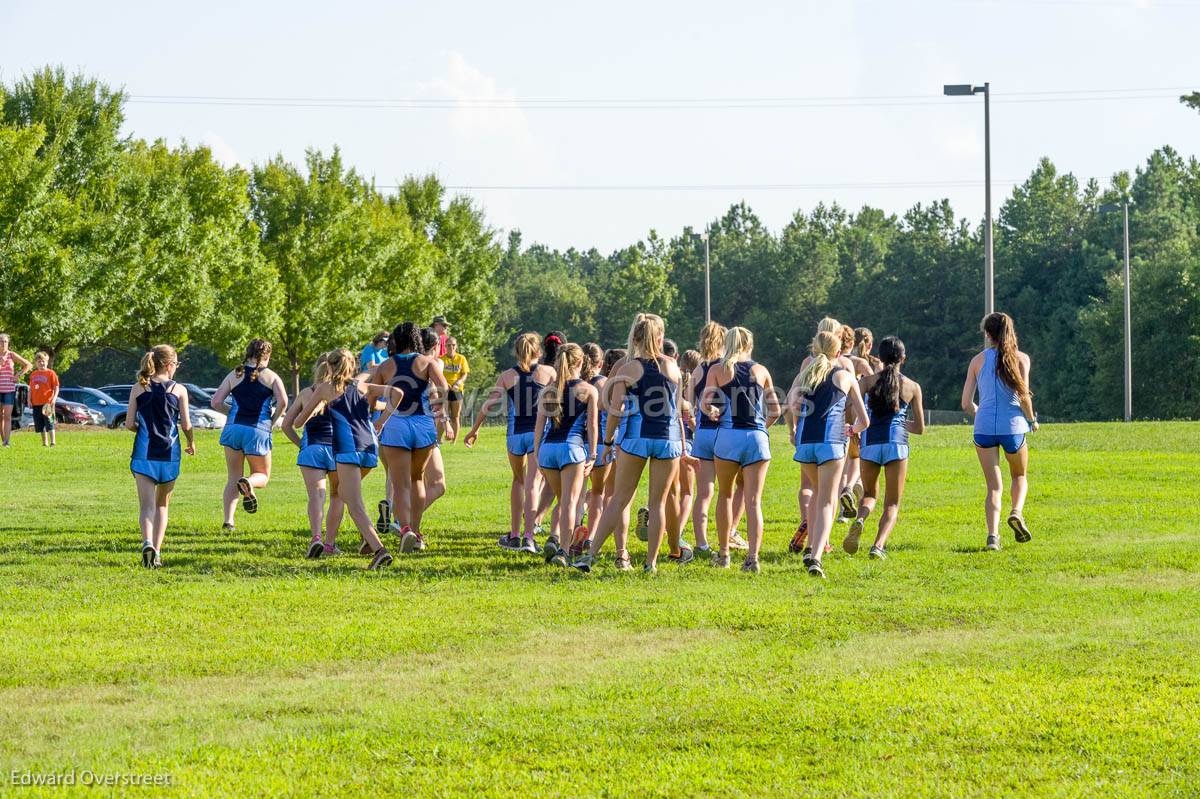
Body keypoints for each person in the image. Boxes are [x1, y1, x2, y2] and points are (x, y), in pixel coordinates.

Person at [574, 313, 683, 574]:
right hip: (668, 439)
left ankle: (589, 556)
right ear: (659, 337)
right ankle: (651, 563)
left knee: (619, 499)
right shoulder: (673, 367)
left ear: (635, 337)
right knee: (657, 503)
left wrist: (609, 441)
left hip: (635, 436)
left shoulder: (628, 368)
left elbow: (614, 409)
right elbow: (677, 407)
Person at [295, 348, 402, 570]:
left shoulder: (326, 388)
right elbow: (398, 393)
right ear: (352, 366)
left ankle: (380, 550)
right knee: (345, 494)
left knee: (353, 503)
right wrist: (381, 420)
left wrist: (312, 409)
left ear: (330, 366)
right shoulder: (362, 386)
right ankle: (368, 538)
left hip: (347, 449)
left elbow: (298, 422)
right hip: (370, 447)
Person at [463, 332, 556, 553]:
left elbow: (488, 405)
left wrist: (473, 430)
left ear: (516, 351)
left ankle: (514, 535)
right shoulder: (549, 372)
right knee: (533, 483)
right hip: (537, 433)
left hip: (515, 435)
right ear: (538, 351)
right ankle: (529, 537)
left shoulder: (507, 376)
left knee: (518, 481)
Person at [788, 330, 869, 578]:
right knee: (826, 499)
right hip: (831, 442)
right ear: (839, 351)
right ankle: (816, 556)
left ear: (814, 350)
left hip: (805, 442)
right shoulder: (845, 375)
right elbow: (864, 421)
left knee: (814, 494)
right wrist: (852, 429)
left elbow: (791, 406)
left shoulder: (804, 375)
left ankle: (812, 545)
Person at [702, 327, 781, 572]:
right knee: (754, 502)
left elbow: (706, 405)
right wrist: (761, 428)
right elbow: (776, 411)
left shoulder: (717, 369)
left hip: (728, 437)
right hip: (757, 438)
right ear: (749, 344)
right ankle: (752, 559)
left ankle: (724, 554)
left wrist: (713, 412)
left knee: (725, 495)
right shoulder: (761, 370)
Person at [961, 312, 1038, 550]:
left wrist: (981, 413)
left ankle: (993, 537)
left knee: (994, 486)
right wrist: (1031, 419)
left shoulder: (977, 361)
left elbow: (965, 403)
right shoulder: (1021, 359)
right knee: (1019, 476)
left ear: (988, 334)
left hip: (983, 428)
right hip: (1013, 426)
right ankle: (1016, 512)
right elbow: (1024, 397)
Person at [844, 336, 925, 559]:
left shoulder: (867, 382)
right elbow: (919, 428)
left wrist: (856, 429)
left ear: (879, 357)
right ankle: (878, 546)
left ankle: (860, 519)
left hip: (869, 442)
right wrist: (900, 422)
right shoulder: (912, 387)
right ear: (903, 358)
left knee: (869, 494)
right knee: (892, 502)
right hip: (896, 445)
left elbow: (850, 407)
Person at [374, 322, 449, 553]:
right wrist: (437, 408)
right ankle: (416, 533)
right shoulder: (428, 362)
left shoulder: (386, 365)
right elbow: (444, 388)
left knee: (400, 483)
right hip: (423, 424)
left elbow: (372, 393)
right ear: (417, 339)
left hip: (396, 424)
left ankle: (404, 528)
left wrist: (380, 412)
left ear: (396, 340)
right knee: (417, 478)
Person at [125, 345, 195, 568]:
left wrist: (144, 430)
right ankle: (156, 552)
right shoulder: (179, 390)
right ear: (169, 364)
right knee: (162, 506)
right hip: (169, 455)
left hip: (144, 455)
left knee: (146, 507)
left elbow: (128, 424)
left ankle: (146, 542)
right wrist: (191, 442)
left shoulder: (139, 387)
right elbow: (186, 424)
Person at [211, 339, 289, 531]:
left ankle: (228, 521)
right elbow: (283, 402)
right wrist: (271, 421)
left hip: (233, 429)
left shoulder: (235, 373)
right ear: (267, 356)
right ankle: (248, 482)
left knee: (232, 478)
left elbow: (215, 402)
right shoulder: (271, 376)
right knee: (262, 475)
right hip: (258, 429)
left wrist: (231, 412)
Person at [534, 344, 599, 566]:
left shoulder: (549, 390)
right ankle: (563, 550)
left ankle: (557, 539)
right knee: (571, 503)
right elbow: (592, 426)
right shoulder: (589, 390)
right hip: (571, 449)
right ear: (581, 362)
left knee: (563, 501)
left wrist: (536, 456)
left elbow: (539, 426)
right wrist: (592, 454)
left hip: (547, 451)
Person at [282, 353, 346, 559]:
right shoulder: (342, 392)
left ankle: (316, 538)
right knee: (338, 496)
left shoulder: (305, 393)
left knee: (316, 496)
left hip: (312, 449)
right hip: (337, 448)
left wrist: (301, 444)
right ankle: (330, 544)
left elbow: (286, 425)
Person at [574, 343, 609, 557]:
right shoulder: (602, 383)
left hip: (579, 441)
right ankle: (592, 537)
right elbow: (611, 409)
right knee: (598, 493)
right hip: (600, 442)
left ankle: (574, 534)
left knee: (578, 495)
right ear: (600, 363)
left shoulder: (579, 383)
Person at [419, 327, 449, 518]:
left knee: (415, 482)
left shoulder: (402, 363)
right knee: (437, 485)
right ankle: (403, 519)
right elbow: (437, 393)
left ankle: (410, 527)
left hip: (398, 427)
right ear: (436, 345)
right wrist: (444, 419)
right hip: (424, 427)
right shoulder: (434, 363)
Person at [0, 334, 32, 448]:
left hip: (9, 389)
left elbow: (28, 364)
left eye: (5, 341)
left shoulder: (12, 355)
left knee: (7, 416)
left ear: (8, 343)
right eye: (1, 341)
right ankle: (3, 440)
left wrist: (18, 375)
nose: (3, 344)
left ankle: (6, 442)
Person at [440, 336, 470, 442]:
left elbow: (464, 373)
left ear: (456, 346)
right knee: (444, 415)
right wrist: (445, 383)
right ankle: (439, 438)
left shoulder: (461, 358)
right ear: (445, 346)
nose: (451, 347)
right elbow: (438, 374)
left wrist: (459, 381)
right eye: (448, 345)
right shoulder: (441, 359)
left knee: (455, 416)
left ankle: (454, 441)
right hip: (445, 390)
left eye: (453, 345)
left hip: (457, 390)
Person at [28, 352, 59, 447]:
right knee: (40, 424)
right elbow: (30, 389)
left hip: (47, 403)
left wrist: (54, 398)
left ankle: (53, 442)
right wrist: (29, 400)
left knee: (49, 422)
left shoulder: (51, 373)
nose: (41, 363)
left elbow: (56, 387)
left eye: (43, 361)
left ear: (47, 362)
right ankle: (44, 443)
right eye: (39, 361)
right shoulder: (33, 374)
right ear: (36, 363)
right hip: (36, 403)